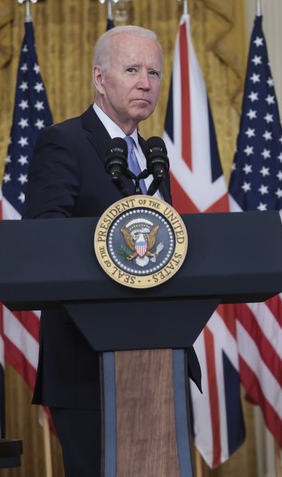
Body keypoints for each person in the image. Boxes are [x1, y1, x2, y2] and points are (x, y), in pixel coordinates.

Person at [22, 25, 193, 476]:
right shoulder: (64, 142)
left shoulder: (153, 155)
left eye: (154, 72)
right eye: (132, 69)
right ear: (100, 78)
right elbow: (46, 238)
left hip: (160, 362)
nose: (146, 82)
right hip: (88, 366)